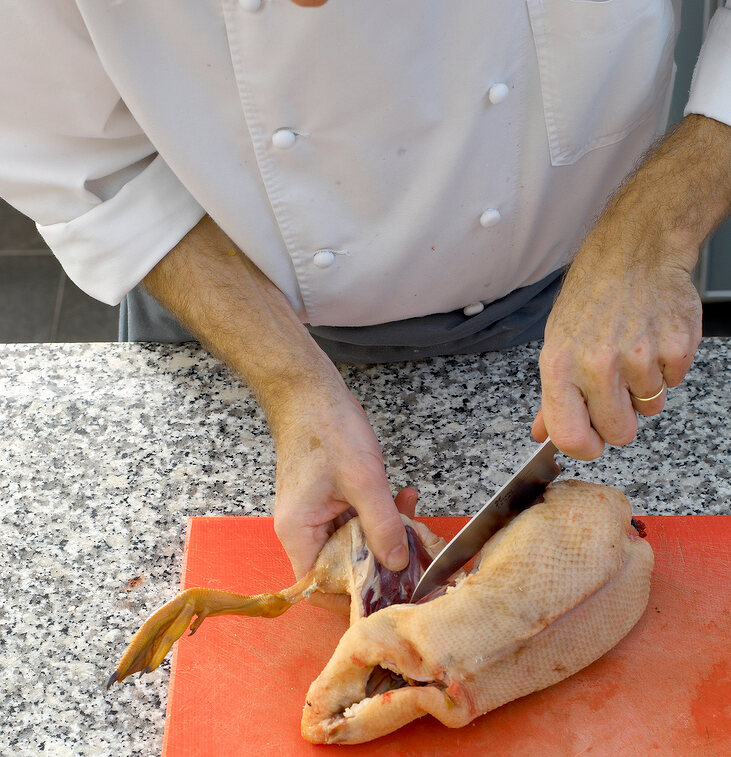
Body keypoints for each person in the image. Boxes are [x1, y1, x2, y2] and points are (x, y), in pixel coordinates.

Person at [2, 1, 730, 581]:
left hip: (583, 304)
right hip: (225, 327)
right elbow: (90, 165)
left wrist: (650, 235)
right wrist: (291, 382)